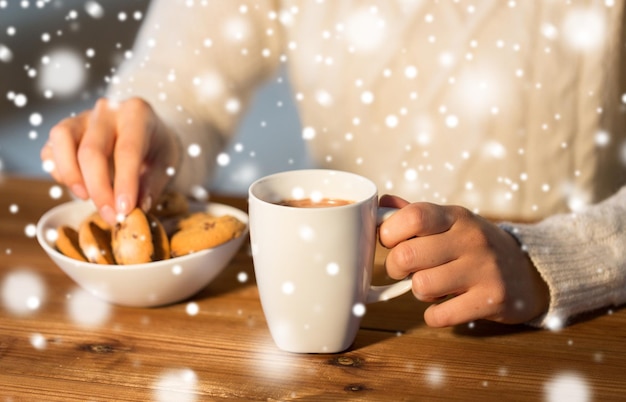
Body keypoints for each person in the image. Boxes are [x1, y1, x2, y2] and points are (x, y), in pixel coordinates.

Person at [40, 1, 626, 330]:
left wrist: (545, 258)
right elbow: (182, 80)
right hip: (351, 315)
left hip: (568, 329)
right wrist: (151, 133)